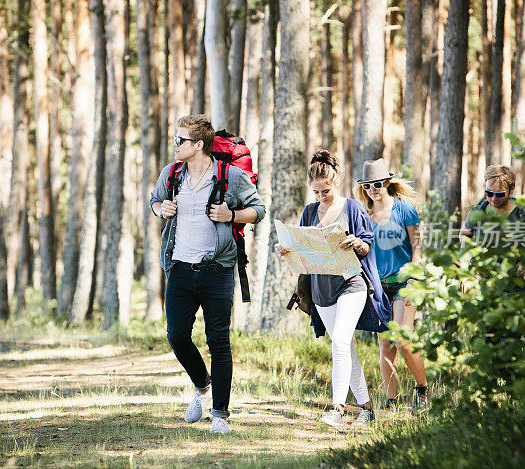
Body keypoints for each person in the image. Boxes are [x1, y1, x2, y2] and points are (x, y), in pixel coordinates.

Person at [149, 114, 265, 434]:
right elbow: (154, 201)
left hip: (218, 270)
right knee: (177, 336)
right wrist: (162, 209)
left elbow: (258, 210)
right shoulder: (171, 174)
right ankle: (202, 387)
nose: (174, 145)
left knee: (219, 343)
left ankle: (219, 416)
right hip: (180, 268)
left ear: (198, 145)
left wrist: (232, 214)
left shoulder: (230, 175)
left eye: (180, 141)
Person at [275, 150, 391, 428]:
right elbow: (303, 248)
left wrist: (356, 243)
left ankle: (337, 409)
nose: (321, 197)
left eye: (325, 191)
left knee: (340, 340)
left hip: (351, 283)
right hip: (321, 289)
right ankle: (365, 409)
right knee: (345, 348)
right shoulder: (309, 212)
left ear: (336, 181)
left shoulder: (352, 208)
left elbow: (367, 244)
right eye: (315, 192)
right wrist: (286, 250)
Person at [354, 159, 429, 414]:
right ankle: (391, 403)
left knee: (403, 340)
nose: (373, 189)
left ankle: (422, 391)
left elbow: (417, 247)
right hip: (378, 288)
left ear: (387, 182)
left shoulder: (405, 209)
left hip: (404, 283)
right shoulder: (364, 215)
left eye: (377, 184)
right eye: (367, 186)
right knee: (385, 345)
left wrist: (414, 280)